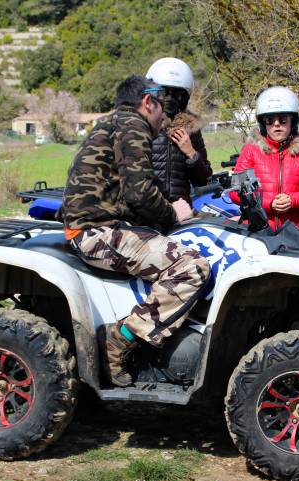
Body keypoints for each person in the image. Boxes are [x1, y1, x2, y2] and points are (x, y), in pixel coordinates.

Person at [62, 75, 211, 388]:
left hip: (93, 227)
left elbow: (135, 188)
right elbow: (139, 192)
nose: (165, 119)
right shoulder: (134, 126)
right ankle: (122, 337)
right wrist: (173, 213)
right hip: (97, 233)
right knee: (192, 267)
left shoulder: (112, 123)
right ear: (148, 102)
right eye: (162, 110)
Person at [231, 86, 299, 230]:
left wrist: (293, 200)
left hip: (295, 232)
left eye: (283, 119)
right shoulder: (251, 150)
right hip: (258, 233)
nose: (276, 124)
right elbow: (235, 192)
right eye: (269, 120)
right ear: (262, 123)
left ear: (293, 121)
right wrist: (268, 202)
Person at [146, 57, 212, 204]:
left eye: (176, 94)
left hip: (180, 212)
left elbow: (203, 181)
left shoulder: (191, 128)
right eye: (164, 93)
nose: (169, 98)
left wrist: (191, 153)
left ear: (184, 97)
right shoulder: (142, 127)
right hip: (148, 211)